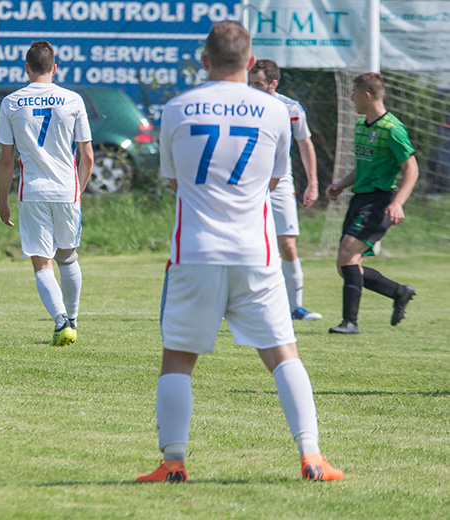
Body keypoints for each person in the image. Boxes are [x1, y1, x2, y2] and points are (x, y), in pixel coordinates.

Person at [136, 22, 343, 483]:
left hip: (194, 251)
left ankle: (173, 462)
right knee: (283, 353)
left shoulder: (176, 109)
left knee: (178, 358)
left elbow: (174, 180)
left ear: (204, 60)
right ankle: (312, 457)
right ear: (250, 64)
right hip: (257, 252)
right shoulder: (274, 112)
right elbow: (273, 182)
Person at [0, 41, 94, 346]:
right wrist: (77, 190)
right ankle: (73, 319)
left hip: (33, 191)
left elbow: (7, 159)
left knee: (42, 262)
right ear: (54, 68)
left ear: (26, 68)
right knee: (68, 257)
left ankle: (60, 320)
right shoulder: (73, 100)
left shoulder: (11, 102)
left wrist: (2, 200)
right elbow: (87, 156)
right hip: (67, 190)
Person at [325, 72, 419, 334]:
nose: (351, 98)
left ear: (367, 95)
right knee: (346, 267)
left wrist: (398, 202)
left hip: (381, 200)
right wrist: (341, 185)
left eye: (354, 94)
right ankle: (399, 292)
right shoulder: (361, 126)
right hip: (360, 199)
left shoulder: (392, 129)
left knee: (347, 254)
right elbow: (362, 167)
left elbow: (411, 169)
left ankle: (350, 323)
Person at [249, 59, 322, 321]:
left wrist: (312, 183)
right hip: (247, 181)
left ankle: (295, 307)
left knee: (288, 244)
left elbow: (305, 144)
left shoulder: (290, 108)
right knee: (248, 242)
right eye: (251, 84)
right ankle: (239, 305)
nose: (254, 89)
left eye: (259, 84)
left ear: (273, 83)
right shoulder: (241, 105)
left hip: (280, 182)